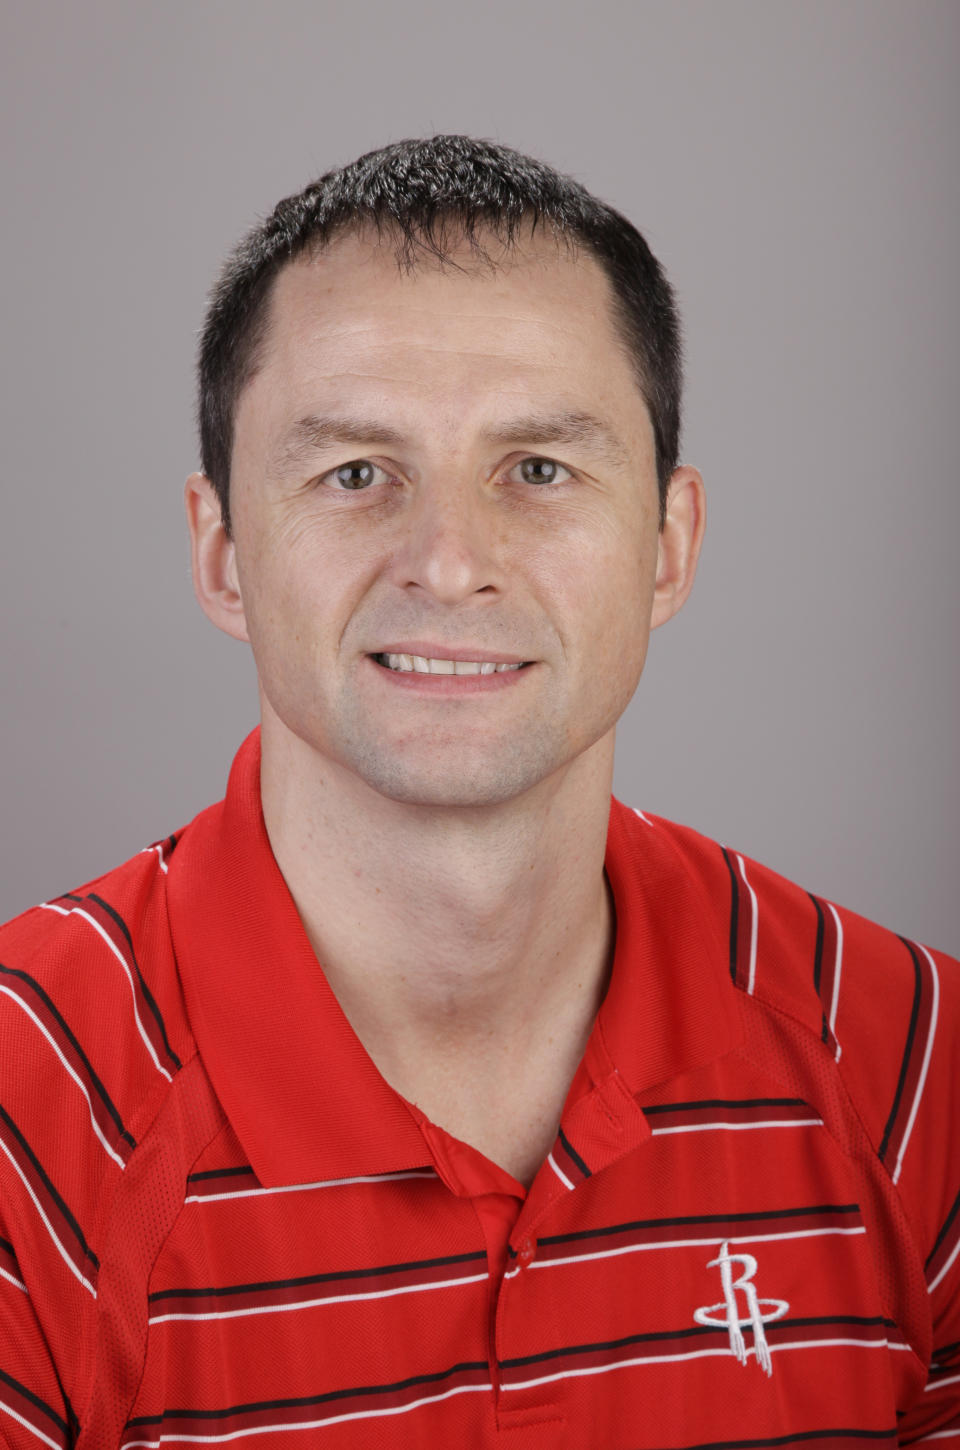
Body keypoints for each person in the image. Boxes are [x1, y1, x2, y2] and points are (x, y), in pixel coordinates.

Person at [0, 135, 956, 1450]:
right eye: (355, 472)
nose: (451, 563)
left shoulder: (911, 1065)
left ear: (668, 547)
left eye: (540, 470)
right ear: (222, 554)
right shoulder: (25, 1110)